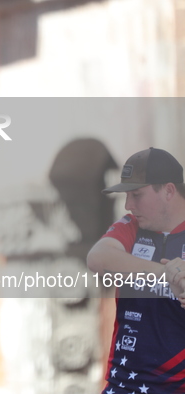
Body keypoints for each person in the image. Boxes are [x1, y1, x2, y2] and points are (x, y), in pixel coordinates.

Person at [87, 147, 185, 393]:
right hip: (122, 384)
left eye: (137, 195)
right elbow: (97, 258)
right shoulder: (130, 227)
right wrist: (168, 274)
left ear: (169, 191)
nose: (129, 205)